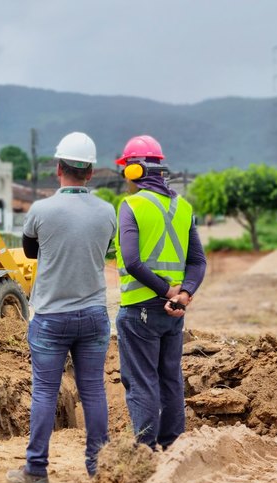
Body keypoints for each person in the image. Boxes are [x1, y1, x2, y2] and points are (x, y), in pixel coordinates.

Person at [6, 132, 117, 483]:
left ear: (58, 169)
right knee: (94, 392)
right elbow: (105, 248)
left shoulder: (41, 210)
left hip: (51, 318)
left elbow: (31, 250)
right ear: (90, 173)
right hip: (94, 315)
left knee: (44, 393)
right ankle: (99, 468)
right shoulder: (106, 211)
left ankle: (35, 470)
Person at [113, 135, 206, 451]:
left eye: (126, 168)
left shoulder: (132, 205)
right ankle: (173, 447)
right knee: (170, 379)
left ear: (134, 172)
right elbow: (197, 261)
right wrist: (184, 295)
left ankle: (145, 448)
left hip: (140, 308)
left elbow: (131, 261)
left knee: (142, 382)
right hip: (174, 310)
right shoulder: (183, 207)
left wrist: (167, 291)